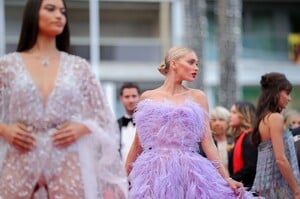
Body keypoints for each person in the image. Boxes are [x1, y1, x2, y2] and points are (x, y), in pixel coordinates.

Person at [0, 0, 128, 198]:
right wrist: (5, 129)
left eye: (63, 11)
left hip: (67, 159)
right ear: (33, 14)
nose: (59, 15)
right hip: (19, 157)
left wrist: (81, 127)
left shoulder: (79, 67)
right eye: (50, 9)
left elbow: (104, 117)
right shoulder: (7, 65)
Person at [125, 46, 255, 198]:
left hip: (189, 171)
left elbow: (207, 141)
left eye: (197, 64)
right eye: (191, 62)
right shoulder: (148, 97)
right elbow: (137, 144)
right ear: (174, 64)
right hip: (153, 173)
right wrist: (120, 179)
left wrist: (226, 178)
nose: (196, 68)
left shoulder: (198, 97)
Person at [251, 72, 300, 198]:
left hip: (266, 186)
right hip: (278, 187)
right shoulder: (275, 118)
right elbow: (281, 159)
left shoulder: (264, 118)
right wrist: (296, 190)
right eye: (287, 93)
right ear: (277, 92)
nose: (289, 98)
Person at [228, 101, 258, 190]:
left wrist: (231, 180)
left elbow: (251, 167)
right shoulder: (242, 137)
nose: (230, 115)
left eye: (234, 112)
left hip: (248, 189)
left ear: (245, 115)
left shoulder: (249, 138)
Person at [117, 82, 141, 162]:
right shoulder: (114, 125)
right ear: (121, 99)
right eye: (127, 97)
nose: (131, 100)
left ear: (139, 97)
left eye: (134, 96)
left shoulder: (147, 124)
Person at [210, 106, 233, 171]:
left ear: (228, 122)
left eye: (221, 119)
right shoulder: (206, 144)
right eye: (214, 120)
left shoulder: (234, 141)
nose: (217, 123)